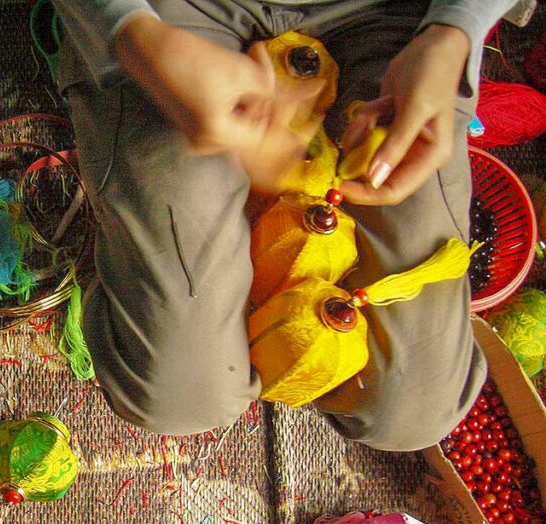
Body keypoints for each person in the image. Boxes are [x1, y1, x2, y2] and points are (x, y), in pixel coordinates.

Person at [51, 0, 517, 451]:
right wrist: (130, 32)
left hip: (395, 17)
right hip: (175, 12)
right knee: (179, 396)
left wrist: (455, 29)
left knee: (412, 412)